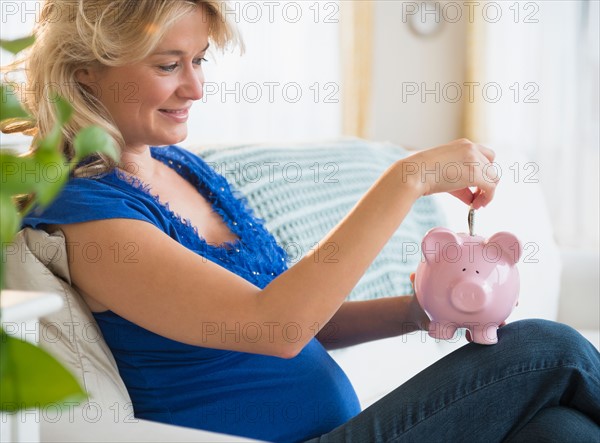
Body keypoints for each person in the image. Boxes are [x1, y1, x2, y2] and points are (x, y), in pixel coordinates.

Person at [9, 1, 599, 442]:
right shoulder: (85, 212)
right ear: (86, 71)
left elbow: (300, 316)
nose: (195, 87)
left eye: (199, 61)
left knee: (563, 430)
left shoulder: (182, 168)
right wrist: (406, 178)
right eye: (169, 65)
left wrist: (419, 311)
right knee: (548, 348)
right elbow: (274, 327)